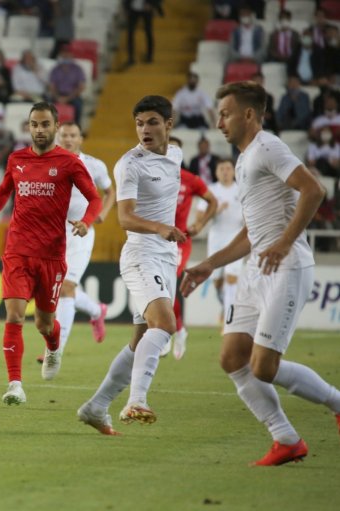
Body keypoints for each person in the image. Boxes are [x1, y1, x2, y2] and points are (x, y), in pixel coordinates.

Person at [181, 81, 340, 465]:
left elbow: (314, 190)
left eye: (225, 113)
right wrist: (209, 264)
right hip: (256, 269)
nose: (219, 121)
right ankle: (285, 438)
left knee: (263, 366)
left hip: (286, 265)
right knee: (232, 356)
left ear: (249, 114)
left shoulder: (268, 147)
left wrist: (285, 242)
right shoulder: (243, 158)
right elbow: (252, 232)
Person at [0, 102, 102, 405]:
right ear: (28, 127)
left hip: (52, 256)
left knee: (45, 324)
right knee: (14, 315)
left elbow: (94, 198)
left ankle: (53, 347)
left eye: (45, 124)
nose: (39, 130)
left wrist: (86, 221)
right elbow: (5, 190)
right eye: (34, 124)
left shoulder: (69, 162)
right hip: (17, 250)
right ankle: (15, 384)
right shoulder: (17, 159)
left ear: (56, 127)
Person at [77, 95, 185, 434]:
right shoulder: (129, 164)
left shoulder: (177, 154)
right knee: (165, 324)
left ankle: (95, 407)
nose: (144, 130)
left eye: (152, 122)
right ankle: (137, 400)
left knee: (141, 342)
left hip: (167, 258)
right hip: (141, 255)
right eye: (139, 124)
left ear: (169, 124)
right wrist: (160, 228)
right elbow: (124, 217)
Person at [36, 121, 115, 377]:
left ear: (80, 138)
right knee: (54, 290)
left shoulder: (94, 165)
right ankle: (96, 309)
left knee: (66, 287)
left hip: (80, 233)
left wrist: (102, 213)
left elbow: (109, 190)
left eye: (73, 135)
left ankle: (55, 350)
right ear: (57, 137)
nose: (68, 139)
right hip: (53, 234)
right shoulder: (49, 162)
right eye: (64, 135)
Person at [160, 137, 217, 359]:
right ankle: (180, 330)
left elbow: (213, 201)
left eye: (174, 149)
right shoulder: (152, 177)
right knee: (160, 289)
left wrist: (200, 224)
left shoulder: (190, 180)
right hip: (155, 239)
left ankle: (167, 333)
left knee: (167, 285)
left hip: (179, 241)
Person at [195, 159, 243, 322]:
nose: (225, 171)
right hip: (216, 238)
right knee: (217, 281)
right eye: (221, 168)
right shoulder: (211, 191)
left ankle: (230, 319)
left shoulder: (242, 190)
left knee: (231, 277)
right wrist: (214, 210)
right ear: (216, 173)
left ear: (234, 171)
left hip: (236, 238)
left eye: (228, 168)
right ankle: (225, 307)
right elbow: (199, 217)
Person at [47, 45, 86, 125]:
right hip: (58, 94)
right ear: (60, 55)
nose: (65, 56)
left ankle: (76, 127)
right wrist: (58, 97)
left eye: (67, 54)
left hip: (72, 95)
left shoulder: (77, 69)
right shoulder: (55, 69)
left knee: (78, 105)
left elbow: (81, 87)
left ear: (71, 55)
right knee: (46, 106)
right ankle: (50, 127)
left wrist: (67, 98)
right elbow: (52, 86)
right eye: (63, 54)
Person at [124, 0, 163, 65]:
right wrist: (126, 7)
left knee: (148, 32)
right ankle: (130, 58)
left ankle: (149, 56)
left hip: (146, 9)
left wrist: (151, 4)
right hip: (133, 9)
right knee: (130, 33)